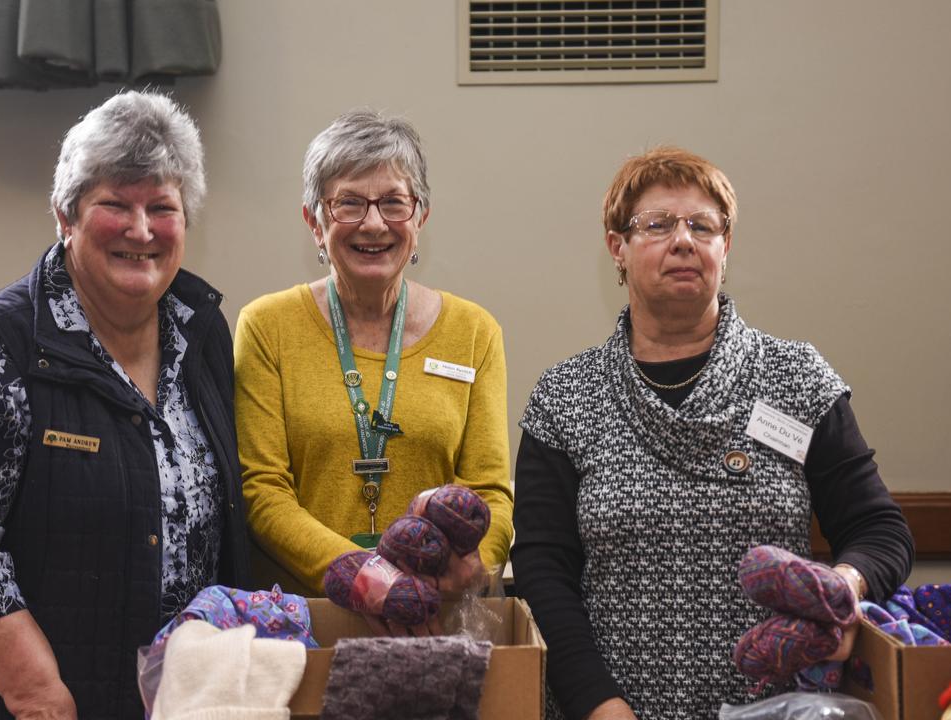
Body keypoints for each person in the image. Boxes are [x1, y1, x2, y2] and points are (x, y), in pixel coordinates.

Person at [512, 147, 914, 719]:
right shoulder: (564, 397)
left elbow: (880, 530)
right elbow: (543, 571)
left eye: (703, 225)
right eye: (657, 225)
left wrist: (842, 589)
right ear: (616, 249)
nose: (683, 241)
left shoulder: (796, 379)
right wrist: (598, 705)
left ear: (726, 248)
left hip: (777, 705)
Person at [0, 91, 248, 720]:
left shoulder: (200, 334)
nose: (141, 230)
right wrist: (37, 692)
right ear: (65, 216)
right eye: (115, 204)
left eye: (162, 208)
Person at [234, 110, 514, 609]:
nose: (373, 223)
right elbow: (262, 490)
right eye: (349, 203)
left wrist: (464, 572)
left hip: (435, 615)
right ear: (314, 222)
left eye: (393, 202)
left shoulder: (475, 333)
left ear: (420, 216)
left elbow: (490, 493)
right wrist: (368, 579)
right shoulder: (266, 327)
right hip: (304, 622)